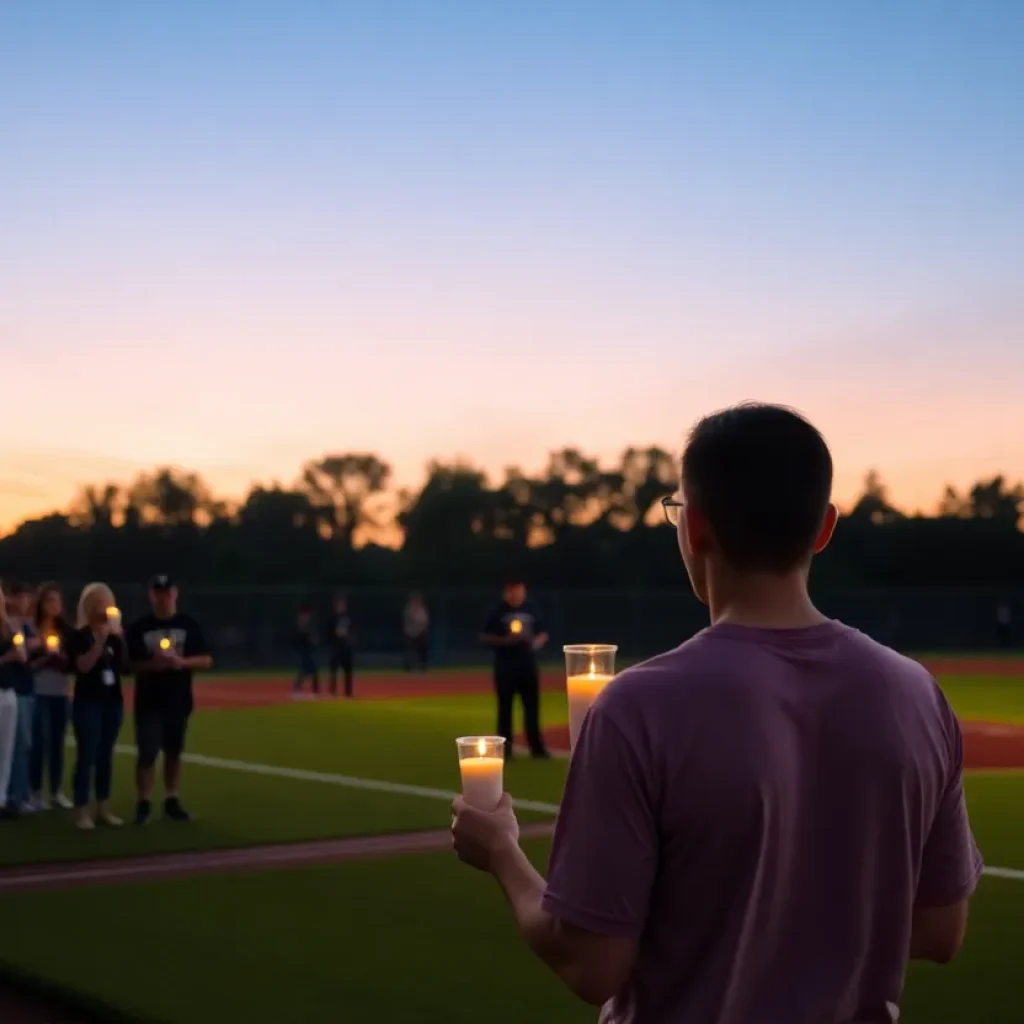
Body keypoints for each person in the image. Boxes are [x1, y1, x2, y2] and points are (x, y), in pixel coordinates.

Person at [452, 403, 983, 1023]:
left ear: (694, 526)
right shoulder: (917, 695)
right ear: (823, 528)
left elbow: (591, 965)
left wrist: (503, 852)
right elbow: (941, 930)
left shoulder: (636, 708)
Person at [126, 575, 212, 825]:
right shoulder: (140, 627)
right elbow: (129, 665)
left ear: (175, 593)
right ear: (151, 596)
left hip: (178, 698)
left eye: (167, 592)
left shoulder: (187, 624)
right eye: (158, 593)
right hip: (149, 700)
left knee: (174, 751)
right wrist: (153, 664)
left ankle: (171, 798)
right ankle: (143, 801)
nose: (163, 598)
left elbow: (206, 659)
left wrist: (181, 662)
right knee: (147, 752)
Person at [67, 582, 127, 830]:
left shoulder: (115, 637)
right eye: (101, 603)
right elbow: (82, 666)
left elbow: (124, 667)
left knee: (106, 755)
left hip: (112, 701)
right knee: (87, 755)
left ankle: (103, 806)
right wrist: (99, 641)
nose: (106, 608)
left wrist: (119, 638)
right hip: (88, 702)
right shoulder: (79, 636)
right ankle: (81, 808)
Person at [480, 579, 549, 760]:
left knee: (532, 706)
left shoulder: (532, 609)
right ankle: (506, 748)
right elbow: (485, 636)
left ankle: (536, 747)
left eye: (520, 591)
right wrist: (505, 641)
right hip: (506, 664)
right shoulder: (497, 612)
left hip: (527, 663)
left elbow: (543, 632)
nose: (517, 595)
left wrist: (536, 643)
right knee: (505, 708)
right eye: (513, 591)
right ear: (506, 592)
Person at [29, 583, 73, 811]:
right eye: (49, 601)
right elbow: (27, 664)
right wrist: (44, 655)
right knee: (39, 743)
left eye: (57, 601)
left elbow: (73, 662)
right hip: (38, 692)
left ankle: (56, 791)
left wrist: (61, 658)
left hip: (60, 692)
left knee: (57, 743)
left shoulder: (66, 630)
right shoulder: (32, 628)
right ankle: (35, 791)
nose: (53, 605)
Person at [3, 582, 37, 815]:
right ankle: (15, 796)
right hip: (13, 688)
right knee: (16, 744)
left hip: (19, 688)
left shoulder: (18, 626)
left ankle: (14, 795)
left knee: (18, 746)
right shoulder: (8, 625)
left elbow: (25, 655)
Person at [0, 587, 28, 820]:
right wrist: (7, 658)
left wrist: (17, 643)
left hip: (8, 690)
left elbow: (22, 654)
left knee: (6, 749)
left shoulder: (7, 626)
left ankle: (1, 798)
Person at [328, 594, 355, 698]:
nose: (341, 606)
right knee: (333, 669)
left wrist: (348, 637)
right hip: (336, 647)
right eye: (339, 604)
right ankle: (333, 691)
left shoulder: (348, 617)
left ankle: (348, 692)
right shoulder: (332, 619)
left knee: (348, 670)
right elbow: (328, 633)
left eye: (342, 604)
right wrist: (335, 634)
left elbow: (353, 631)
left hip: (346, 647)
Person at [293, 604, 319, 698]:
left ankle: (314, 691)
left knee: (313, 670)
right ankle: (298, 689)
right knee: (306, 670)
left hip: (310, 651)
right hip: (304, 652)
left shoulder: (310, 626)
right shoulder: (300, 627)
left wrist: (313, 640)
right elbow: (299, 640)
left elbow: (315, 639)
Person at [402, 592, 430, 673]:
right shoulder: (408, 610)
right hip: (410, 634)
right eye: (414, 600)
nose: (415, 602)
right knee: (410, 651)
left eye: (417, 600)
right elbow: (409, 620)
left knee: (422, 651)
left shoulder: (422, 610)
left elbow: (425, 622)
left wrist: (423, 630)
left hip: (420, 634)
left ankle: (423, 667)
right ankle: (408, 667)